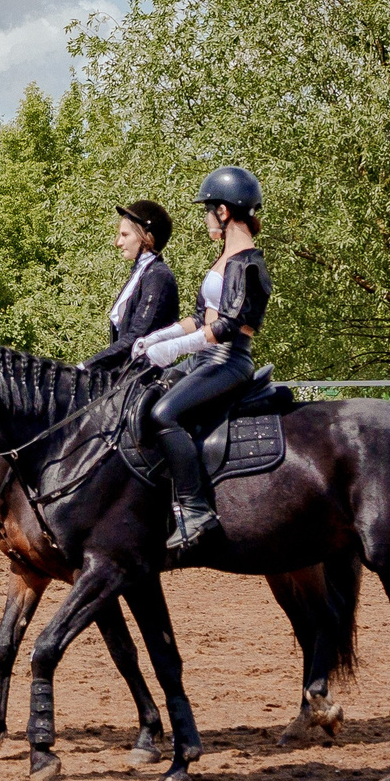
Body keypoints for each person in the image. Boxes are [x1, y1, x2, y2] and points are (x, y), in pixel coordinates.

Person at [131, 167, 271, 551]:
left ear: (224, 212)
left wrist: (177, 349)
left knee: (165, 415)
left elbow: (228, 325)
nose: (206, 218)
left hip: (227, 362)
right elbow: (200, 316)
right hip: (205, 360)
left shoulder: (248, 263)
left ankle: (194, 510)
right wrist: (158, 337)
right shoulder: (223, 259)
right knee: (144, 398)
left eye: (209, 211)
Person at [84, 199, 180, 368]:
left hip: (147, 377)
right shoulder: (142, 274)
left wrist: (87, 366)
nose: (118, 243)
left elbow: (138, 337)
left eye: (125, 235)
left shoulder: (158, 276)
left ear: (146, 237)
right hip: (128, 374)